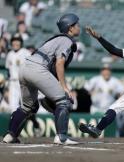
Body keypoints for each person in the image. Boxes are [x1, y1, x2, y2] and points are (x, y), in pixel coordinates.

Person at [2, 13, 80, 145]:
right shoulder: (66, 40)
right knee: (64, 100)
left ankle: (10, 135)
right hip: (38, 69)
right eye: (76, 24)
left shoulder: (54, 39)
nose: (79, 27)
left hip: (24, 69)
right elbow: (59, 63)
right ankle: (61, 137)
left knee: (28, 107)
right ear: (70, 28)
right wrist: (64, 87)